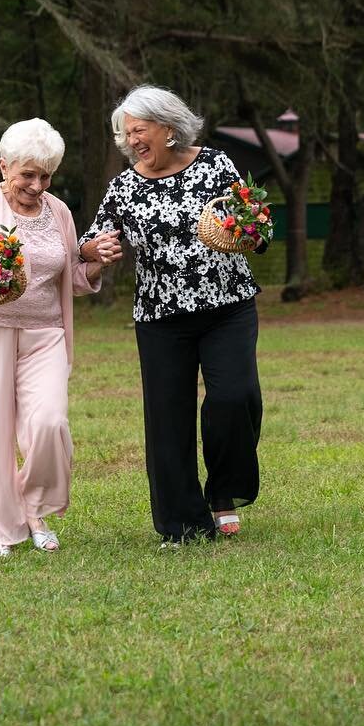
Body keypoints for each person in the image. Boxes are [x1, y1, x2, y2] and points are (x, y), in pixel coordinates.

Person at [79, 84, 264, 547]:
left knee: (235, 398)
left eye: (139, 130)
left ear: (167, 127)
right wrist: (95, 248)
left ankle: (223, 492)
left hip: (227, 306)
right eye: (126, 134)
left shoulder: (215, 164)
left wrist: (248, 229)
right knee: (167, 419)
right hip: (161, 316)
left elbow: (251, 220)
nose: (132, 140)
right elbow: (90, 240)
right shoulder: (123, 186)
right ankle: (182, 524)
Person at [0, 119, 121, 559]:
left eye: (46, 175)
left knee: (49, 423)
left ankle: (33, 507)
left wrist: (96, 265)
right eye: (28, 175)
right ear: (4, 167)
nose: (37, 185)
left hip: (45, 334)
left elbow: (72, 275)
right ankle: (0, 529)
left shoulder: (59, 212)